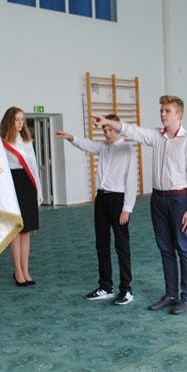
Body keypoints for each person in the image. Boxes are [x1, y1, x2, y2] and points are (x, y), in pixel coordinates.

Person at [93, 95, 187, 315]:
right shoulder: (156, 136)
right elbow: (131, 130)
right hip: (158, 199)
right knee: (165, 249)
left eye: (167, 111)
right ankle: (170, 294)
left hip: (179, 199)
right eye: (161, 110)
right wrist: (107, 121)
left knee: (183, 248)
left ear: (179, 114)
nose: (162, 114)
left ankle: (186, 298)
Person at [57, 115, 137, 305]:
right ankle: (105, 287)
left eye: (111, 130)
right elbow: (87, 145)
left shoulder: (127, 149)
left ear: (117, 129)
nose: (108, 134)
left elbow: (131, 181)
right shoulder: (103, 147)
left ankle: (126, 289)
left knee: (122, 245)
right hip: (101, 199)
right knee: (101, 244)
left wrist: (127, 208)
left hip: (118, 200)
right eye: (105, 130)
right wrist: (71, 138)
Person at [0, 107, 42, 286]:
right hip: (12, 184)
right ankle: (17, 271)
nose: (20, 123)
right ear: (10, 121)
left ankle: (26, 270)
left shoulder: (26, 140)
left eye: (22, 120)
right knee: (16, 230)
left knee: (27, 231)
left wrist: (38, 189)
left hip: (27, 183)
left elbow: (33, 166)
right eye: (17, 119)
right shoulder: (1, 142)